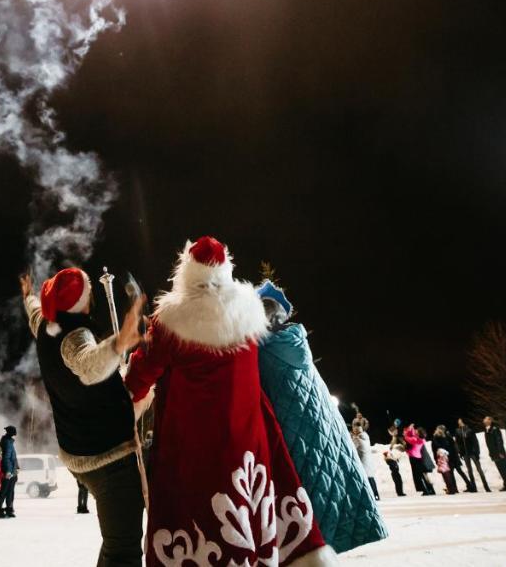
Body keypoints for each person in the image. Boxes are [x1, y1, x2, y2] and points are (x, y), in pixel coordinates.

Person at [124, 237, 336, 566]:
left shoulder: (170, 322)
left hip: (193, 446)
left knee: (196, 517)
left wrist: (130, 397)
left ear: (186, 273)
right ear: (226, 271)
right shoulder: (249, 312)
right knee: (246, 505)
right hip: (247, 437)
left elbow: (140, 374)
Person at [22, 265, 146, 567]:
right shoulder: (75, 337)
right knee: (124, 551)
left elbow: (34, 310)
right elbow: (88, 366)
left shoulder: (44, 325)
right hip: (109, 460)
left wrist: (27, 295)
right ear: (82, 301)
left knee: (116, 543)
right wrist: (117, 344)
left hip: (78, 454)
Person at [255, 280, 385, 549]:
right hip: (326, 434)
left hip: (295, 440)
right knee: (329, 504)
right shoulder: (295, 341)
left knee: (309, 520)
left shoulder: (262, 352)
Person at [431, 426, 472, 493]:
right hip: (454, 456)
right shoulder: (447, 436)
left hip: (450, 457)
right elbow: (453, 445)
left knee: (452, 473)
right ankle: (469, 486)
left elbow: (443, 448)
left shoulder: (440, 437)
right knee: (460, 472)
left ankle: (455, 488)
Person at [454, 418, 490, 493]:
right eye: (458, 421)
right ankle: (474, 487)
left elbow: (475, 442)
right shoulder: (457, 431)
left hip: (472, 453)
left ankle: (486, 486)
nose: (459, 422)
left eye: (460, 421)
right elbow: (457, 443)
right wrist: (460, 452)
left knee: (479, 469)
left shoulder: (469, 430)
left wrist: (477, 452)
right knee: (469, 471)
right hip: (465, 454)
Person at [483, 416, 506, 491]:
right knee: (501, 470)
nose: (484, 420)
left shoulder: (495, 429)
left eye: (485, 419)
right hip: (494, 454)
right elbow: (489, 444)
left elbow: (499, 441)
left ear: (490, 420)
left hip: (499, 453)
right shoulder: (487, 430)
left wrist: (500, 452)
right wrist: (491, 453)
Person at [350, 421, 380, 501]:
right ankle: (376, 495)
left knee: (365, 480)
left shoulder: (357, 439)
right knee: (371, 478)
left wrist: (351, 438)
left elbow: (351, 449)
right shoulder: (366, 437)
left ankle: (369, 496)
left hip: (362, 462)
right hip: (368, 461)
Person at [402, 424, 435, 495]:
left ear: (419, 433)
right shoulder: (420, 439)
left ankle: (425, 490)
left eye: (417, 431)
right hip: (418, 458)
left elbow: (406, 437)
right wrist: (411, 429)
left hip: (414, 458)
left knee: (418, 476)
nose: (415, 431)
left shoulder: (415, 440)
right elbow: (412, 434)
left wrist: (407, 431)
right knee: (422, 475)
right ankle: (429, 489)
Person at [0, 425, 19, 519]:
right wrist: (8, 471)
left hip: (12, 472)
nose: (15, 435)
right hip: (8, 472)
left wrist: (17, 467)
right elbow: (6, 458)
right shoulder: (7, 442)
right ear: (11, 434)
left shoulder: (9, 442)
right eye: (14, 433)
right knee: (4, 491)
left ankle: (9, 509)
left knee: (10, 491)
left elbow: (13, 458)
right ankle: (0, 510)